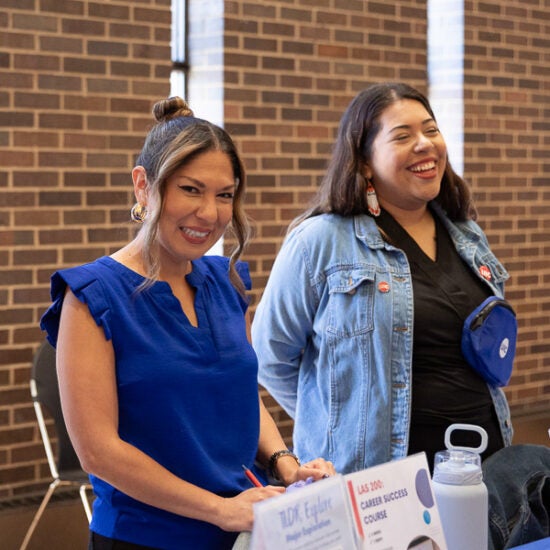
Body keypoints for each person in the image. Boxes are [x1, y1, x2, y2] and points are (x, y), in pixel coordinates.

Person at [40, 97, 334, 550]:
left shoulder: (226, 281)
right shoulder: (93, 296)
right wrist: (219, 510)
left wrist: (285, 462)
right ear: (144, 186)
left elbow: (236, 394)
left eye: (224, 195)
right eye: (191, 190)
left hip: (243, 530)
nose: (211, 214)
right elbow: (98, 451)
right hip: (147, 537)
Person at [251, 82, 514, 476]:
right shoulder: (320, 240)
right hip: (380, 482)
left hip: (480, 465)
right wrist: (338, 420)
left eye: (431, 130)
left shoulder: (466, 234)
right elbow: (271, 356)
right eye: (403, 136)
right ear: (365, 161)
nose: (425, 144)